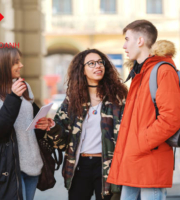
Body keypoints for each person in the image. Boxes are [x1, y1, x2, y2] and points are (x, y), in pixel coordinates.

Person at [106, 20, 180, 200]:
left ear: (140, 41)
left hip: (149, 159)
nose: (124, 46)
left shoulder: (162, 70)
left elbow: (171, 118)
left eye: (127, 39)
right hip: (134, 159)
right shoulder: (140, 73)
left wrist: (141, 143)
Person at [38, 49, 128, 200]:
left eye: (100, 62)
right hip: (79, 166)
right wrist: (52, 127)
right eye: (91, 63)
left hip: (108, 166)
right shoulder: (73, 100)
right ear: (83, 70)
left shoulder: (118, 98)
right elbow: (61, 143)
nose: (97, 66)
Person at [0, 44, 51, 200]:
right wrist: (13, 97)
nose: (21, 65)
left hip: (32, 163)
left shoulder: (24, 87)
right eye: (16, 62)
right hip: (9, 167)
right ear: (3, 64)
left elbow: (31, 125)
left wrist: (42, 125)